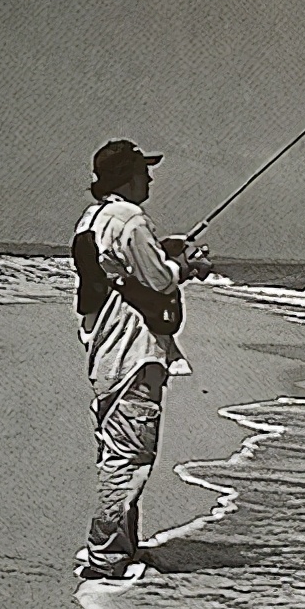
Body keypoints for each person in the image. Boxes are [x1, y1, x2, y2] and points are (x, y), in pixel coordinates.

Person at [72, 139, 212, 580]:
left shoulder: (93, 218)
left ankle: (123, 548)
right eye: (143, 171)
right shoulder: (131, 219)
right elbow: (158, 280)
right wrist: (187, 266)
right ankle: (106, 558)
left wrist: (164, 248)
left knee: (117, 451)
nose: (149, 178)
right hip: (133, 353)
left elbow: (124, 266)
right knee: (129, 456)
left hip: (106, 350)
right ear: (127, 177)